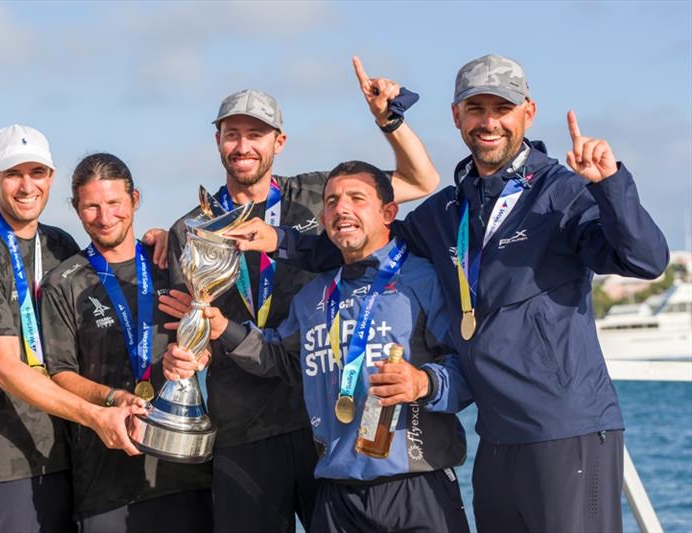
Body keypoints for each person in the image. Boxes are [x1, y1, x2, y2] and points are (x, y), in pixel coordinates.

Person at [232, 54, 670, 533]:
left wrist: (610, 186)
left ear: (528, 112)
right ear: (457, 116)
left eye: (501, 108)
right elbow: (369, 242)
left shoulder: (560, 192)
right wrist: (285, 241)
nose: (488, 122)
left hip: (564, 426)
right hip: (494, 433)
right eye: (475, 108)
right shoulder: (445, 212)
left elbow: (644, 260)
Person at [159, 57, 443, 532]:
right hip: (243, 428)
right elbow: (194, 329)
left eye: (256, 134)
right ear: (218, 142)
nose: (243, 145)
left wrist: (388, 120)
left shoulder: (321, 194)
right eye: (232, 134)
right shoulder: (189, 230)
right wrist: (187, 358)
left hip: (326, 426)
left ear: (279, 142)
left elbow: (422, 181)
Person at [0, 125, 147, 533]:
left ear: (50, 179)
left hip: (63, 458)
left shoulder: (61, 246)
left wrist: (154, 242)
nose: (26, 186)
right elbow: (7, 370)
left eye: (37, 172)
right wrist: (95, 415)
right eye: (13, 174)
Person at [38, 153, 212, 532]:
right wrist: (113, 397)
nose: (104, 217)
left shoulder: (171, 262)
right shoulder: (63, 283)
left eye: (114, 203)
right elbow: (59, 374)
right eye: (91, 207)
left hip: (185, 474)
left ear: (135, 200)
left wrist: (197, 357)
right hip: (105, 484)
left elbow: (207, 339)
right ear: (76, 209)